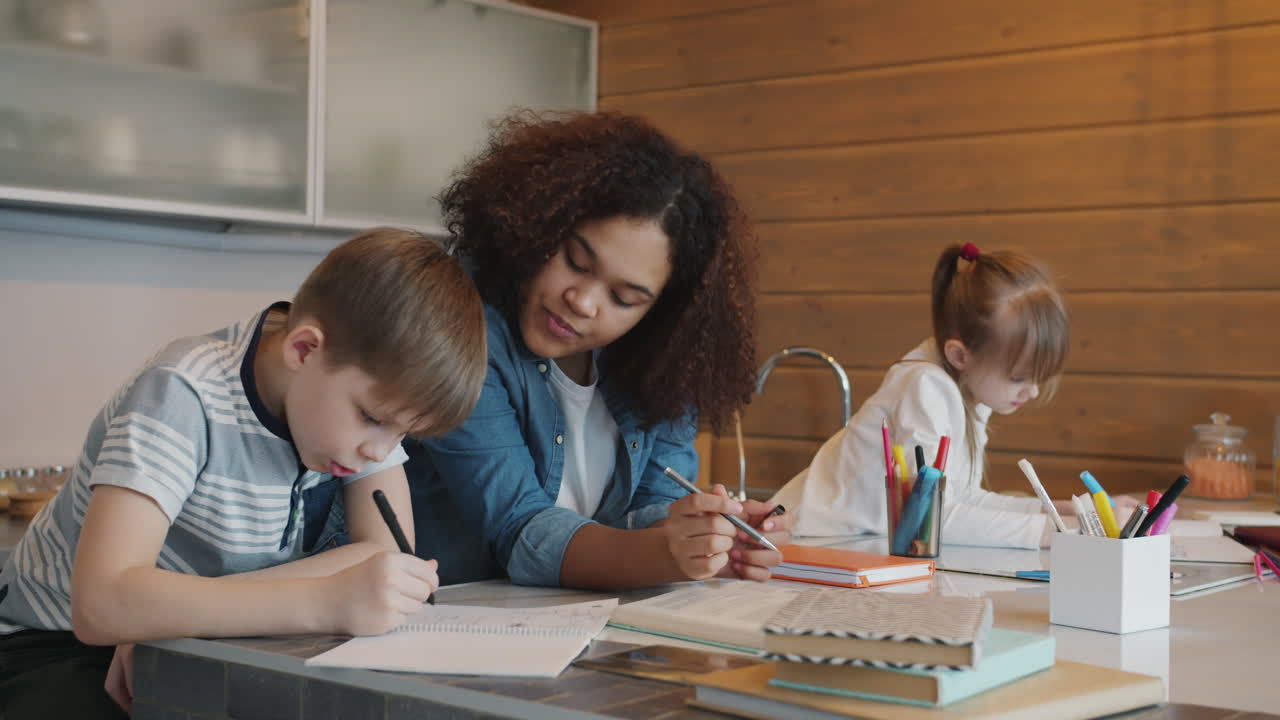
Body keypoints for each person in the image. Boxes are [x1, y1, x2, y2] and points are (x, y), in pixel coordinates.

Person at [0, 228, 487, 718]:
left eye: (403, 435)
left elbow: (379, 550)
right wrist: (323, 601)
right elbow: (102, 604)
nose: (377, 452)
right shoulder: (184, 392)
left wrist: (175, 621)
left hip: (188, 635)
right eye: (374, 419)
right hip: (53, 647)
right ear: (304, 350)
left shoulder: (357, 403)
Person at [404, 110, 791, 589]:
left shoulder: (664, 357)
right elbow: (519, 529)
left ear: (660, 313)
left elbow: (651, 502)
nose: (582, 302)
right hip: (445, 623)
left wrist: (706, 539)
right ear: (537, 223)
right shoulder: (459, 325)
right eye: (576, 262)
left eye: (624, 299)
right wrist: (665, 554)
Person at [772, 242, 1081, 549]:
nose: (1034, 390)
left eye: (1039, 377)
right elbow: (930, 516)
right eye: (1018, 378)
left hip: (845, 544)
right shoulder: (925, 388)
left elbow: (958, 498)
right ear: (960, 355)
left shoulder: (968, 388)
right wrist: (1058, 531)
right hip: (797, 539)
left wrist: (1055, 512)